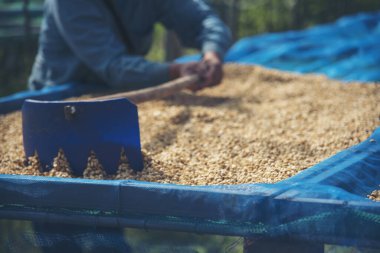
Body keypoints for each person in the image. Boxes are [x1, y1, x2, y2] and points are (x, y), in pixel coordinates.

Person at [29, 0, 232, 93]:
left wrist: (212, 53)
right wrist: (176, 71)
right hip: (61, 96)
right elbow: (113, 66)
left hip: (122, 90)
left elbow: (203, 19)